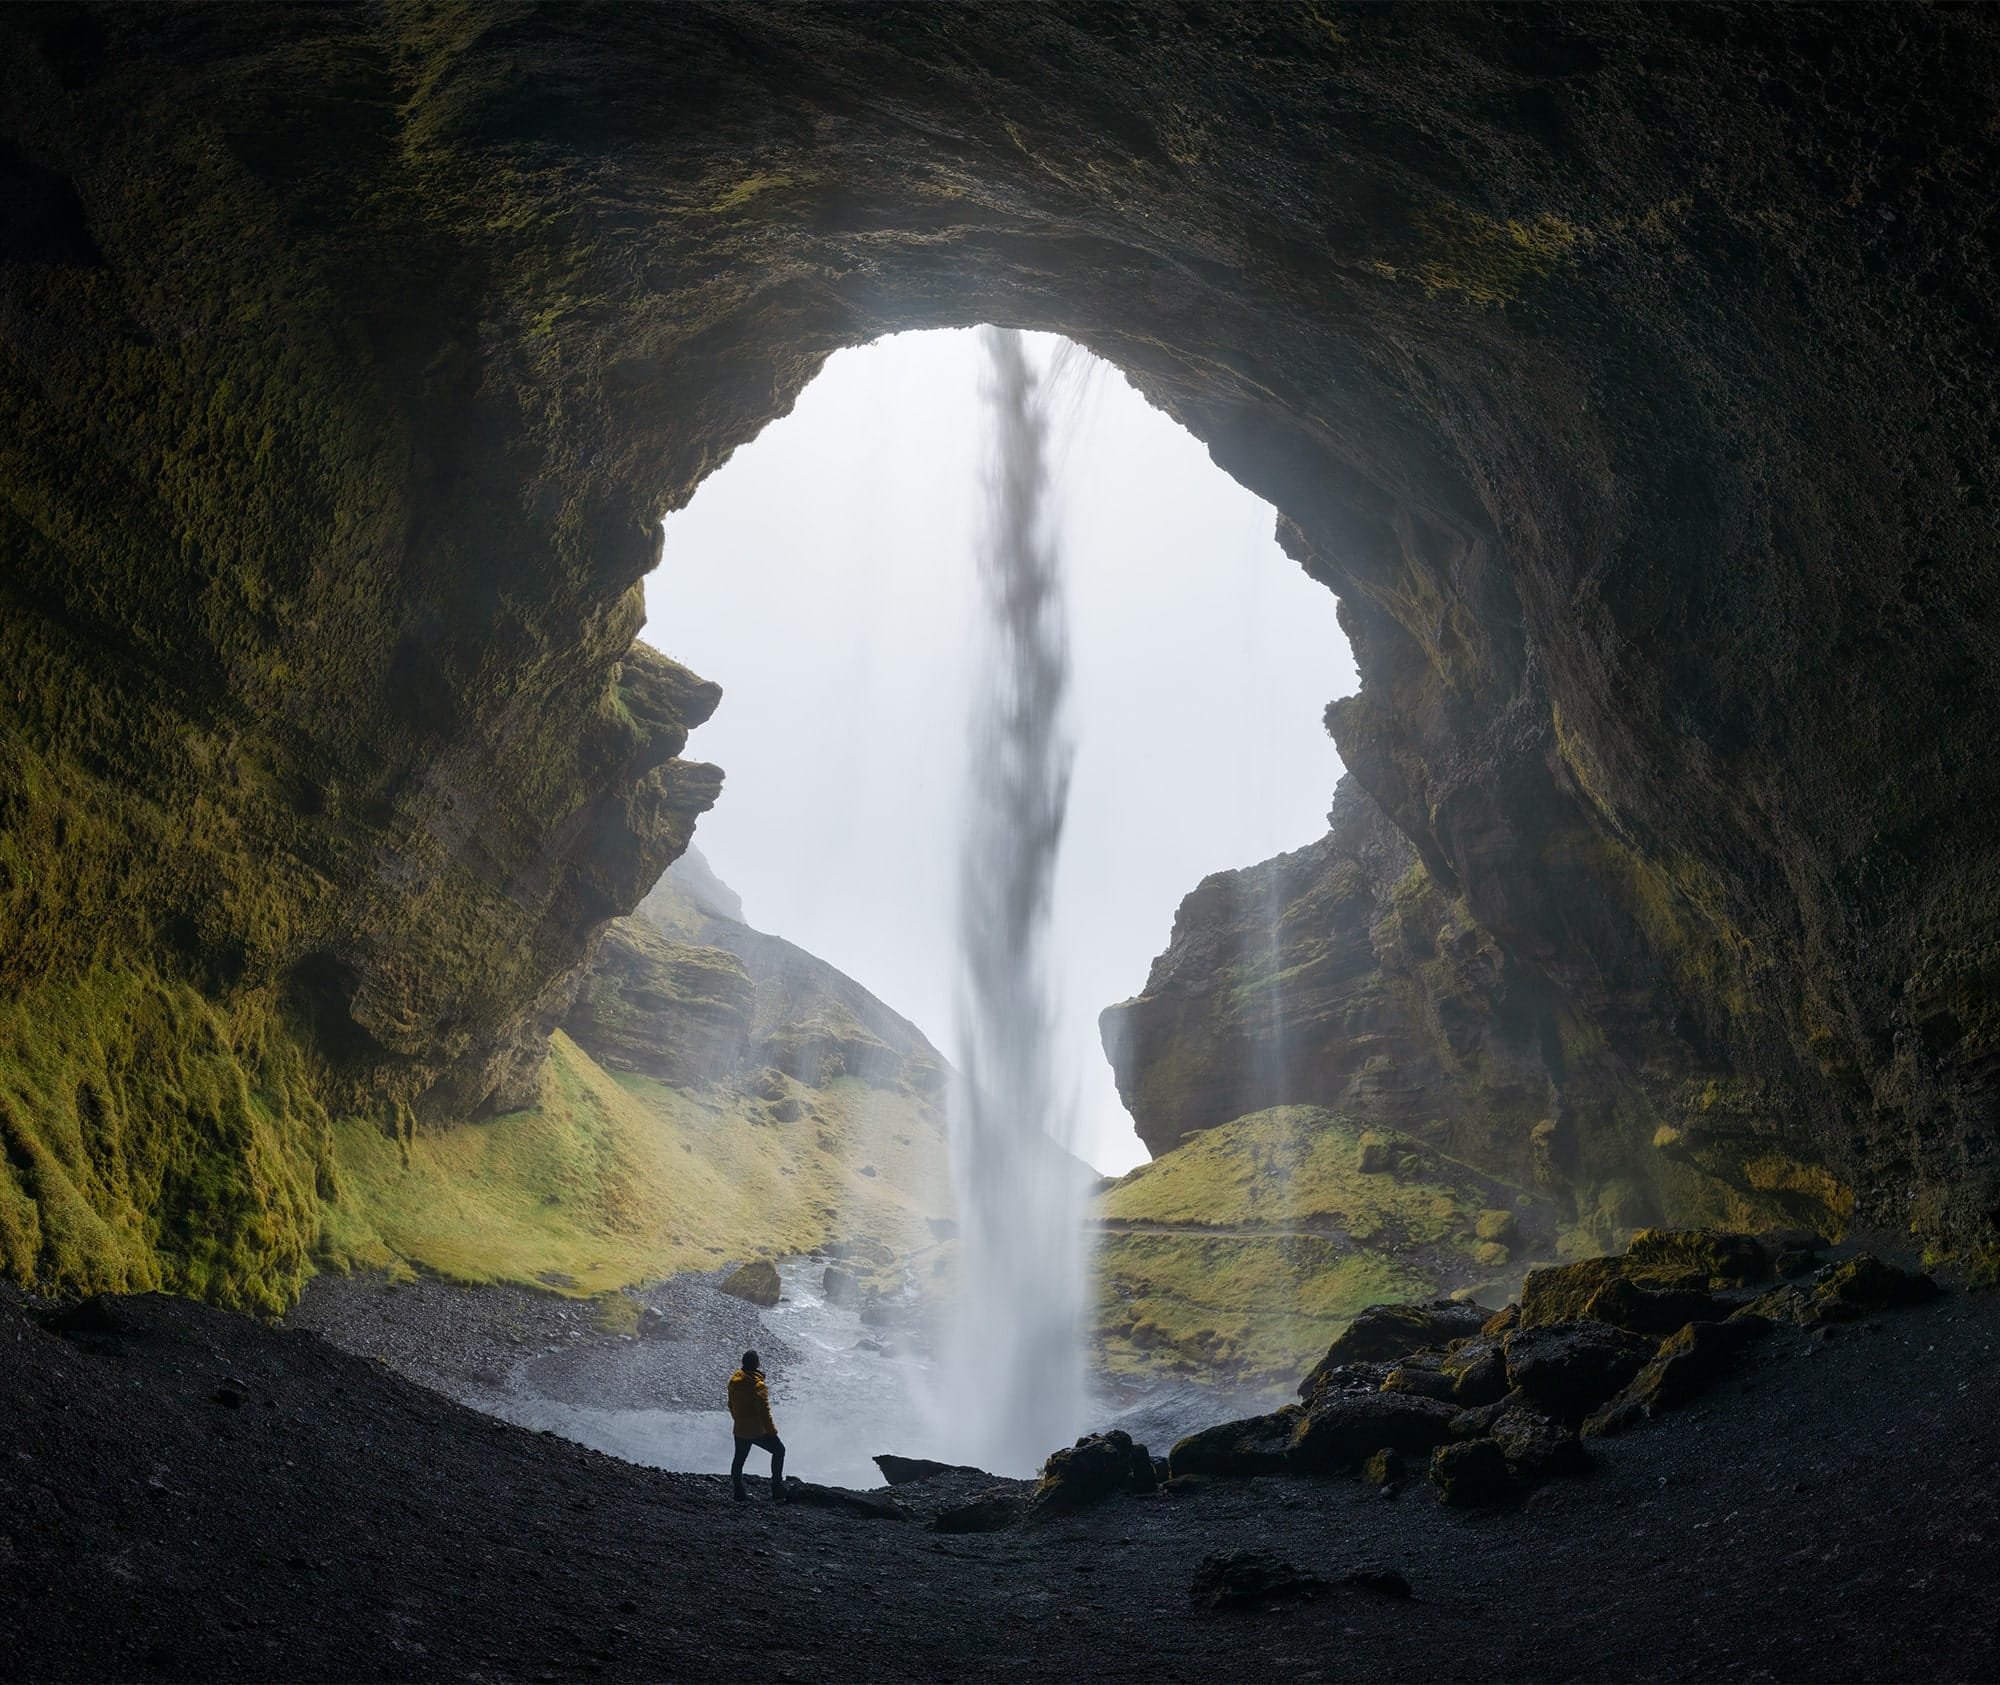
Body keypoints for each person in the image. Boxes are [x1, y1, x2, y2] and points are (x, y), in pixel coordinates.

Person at [727, 1349, 787, 1502]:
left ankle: (739, 1493)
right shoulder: (758, 1386)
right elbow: (764, 1412)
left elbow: (731, 1405)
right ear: (757, 1364)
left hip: (740, 1429)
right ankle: (777, 1489)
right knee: (779, 1451)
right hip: (757, 1431)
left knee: (739, 1460)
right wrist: (772, 1431)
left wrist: (738, 1420)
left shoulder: (734, 1382)